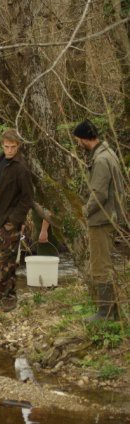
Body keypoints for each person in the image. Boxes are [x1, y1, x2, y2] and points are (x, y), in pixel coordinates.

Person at [73, 119, 126, 321]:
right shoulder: (109, 153)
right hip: (110, 217)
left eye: (78, 140)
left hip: (101, 219)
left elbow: (99, 194)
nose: (78, 144)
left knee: (100, 266)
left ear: (85, 139)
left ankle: (106, 312)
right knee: (105, 263)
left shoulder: (101, 160)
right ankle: (112, 311)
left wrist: (85, 211)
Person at [0, 129, 34, 312]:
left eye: (13, 147)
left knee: (6, 261)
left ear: (18, 146)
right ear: (2, 145)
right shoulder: (0, 161)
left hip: (9, 221)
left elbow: (27, 198)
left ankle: (10, 295)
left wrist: (13, 221)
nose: (9, 150)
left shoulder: (21, 168)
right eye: (7, 146)